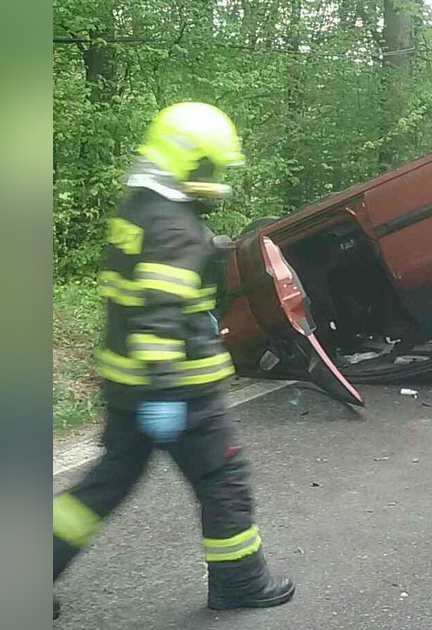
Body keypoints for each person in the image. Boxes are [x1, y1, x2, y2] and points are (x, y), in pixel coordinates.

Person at [52, 102, 294, 620]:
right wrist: (163, 392)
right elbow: (160, 314)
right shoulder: (174, 228)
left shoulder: (137, 209)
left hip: (124, 382)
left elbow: (139, 294)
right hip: (178, 390)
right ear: (190, 162)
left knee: (102, 486)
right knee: (223, 479)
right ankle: (240, 582)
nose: (216, 179)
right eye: (211, 167)